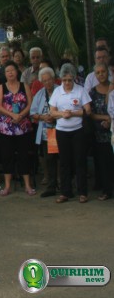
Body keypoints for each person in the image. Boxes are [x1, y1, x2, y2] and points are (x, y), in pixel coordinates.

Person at [50, 63, 92, 203]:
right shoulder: (57, 92)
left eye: (69, 80)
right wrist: (62, 114)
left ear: (74, 78)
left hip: (78, 130)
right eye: (64, 80)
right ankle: (65, 192)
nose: (67, 83)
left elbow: (88, 110)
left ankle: (82, 192)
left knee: (80, 160)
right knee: (64, 162)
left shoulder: (80, 91)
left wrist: (73, 113)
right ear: (61, 79)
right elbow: (52, 112)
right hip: (62, 131)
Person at [0, 61, 35, 196]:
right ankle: (7, 186)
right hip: (6, 127)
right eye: (7, 71)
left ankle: (27, 186)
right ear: (5, 74)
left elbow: (30, 104)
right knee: (7, 156)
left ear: (17, 72)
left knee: (24, 155)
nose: (10, 73)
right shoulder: (1, 87)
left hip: (23, 126)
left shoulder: (24, 86)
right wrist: (12, 114)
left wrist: (21, 115)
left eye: (12, 70)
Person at [30, 67, 59, 197]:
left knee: (63, 158)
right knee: (50, 159)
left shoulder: (60, 90)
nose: (47, 83)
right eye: (45, 81)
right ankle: (52, 186)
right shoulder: (40, 94)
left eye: (49, 80)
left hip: (62, 129)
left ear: (53, 79)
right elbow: (33, 113)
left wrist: (55, 116)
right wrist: (43, 117)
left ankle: (64, 184)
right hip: (49, 132)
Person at [88, 63, 112, 201]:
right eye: (98, 72)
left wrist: (111, 121)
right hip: (100, 133)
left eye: (103, 71)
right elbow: (90, 113)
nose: (101, 74)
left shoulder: (113, 88)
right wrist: (105, 118)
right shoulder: (92, 92)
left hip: (112, 130)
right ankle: (107, 190)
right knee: (104, 163)